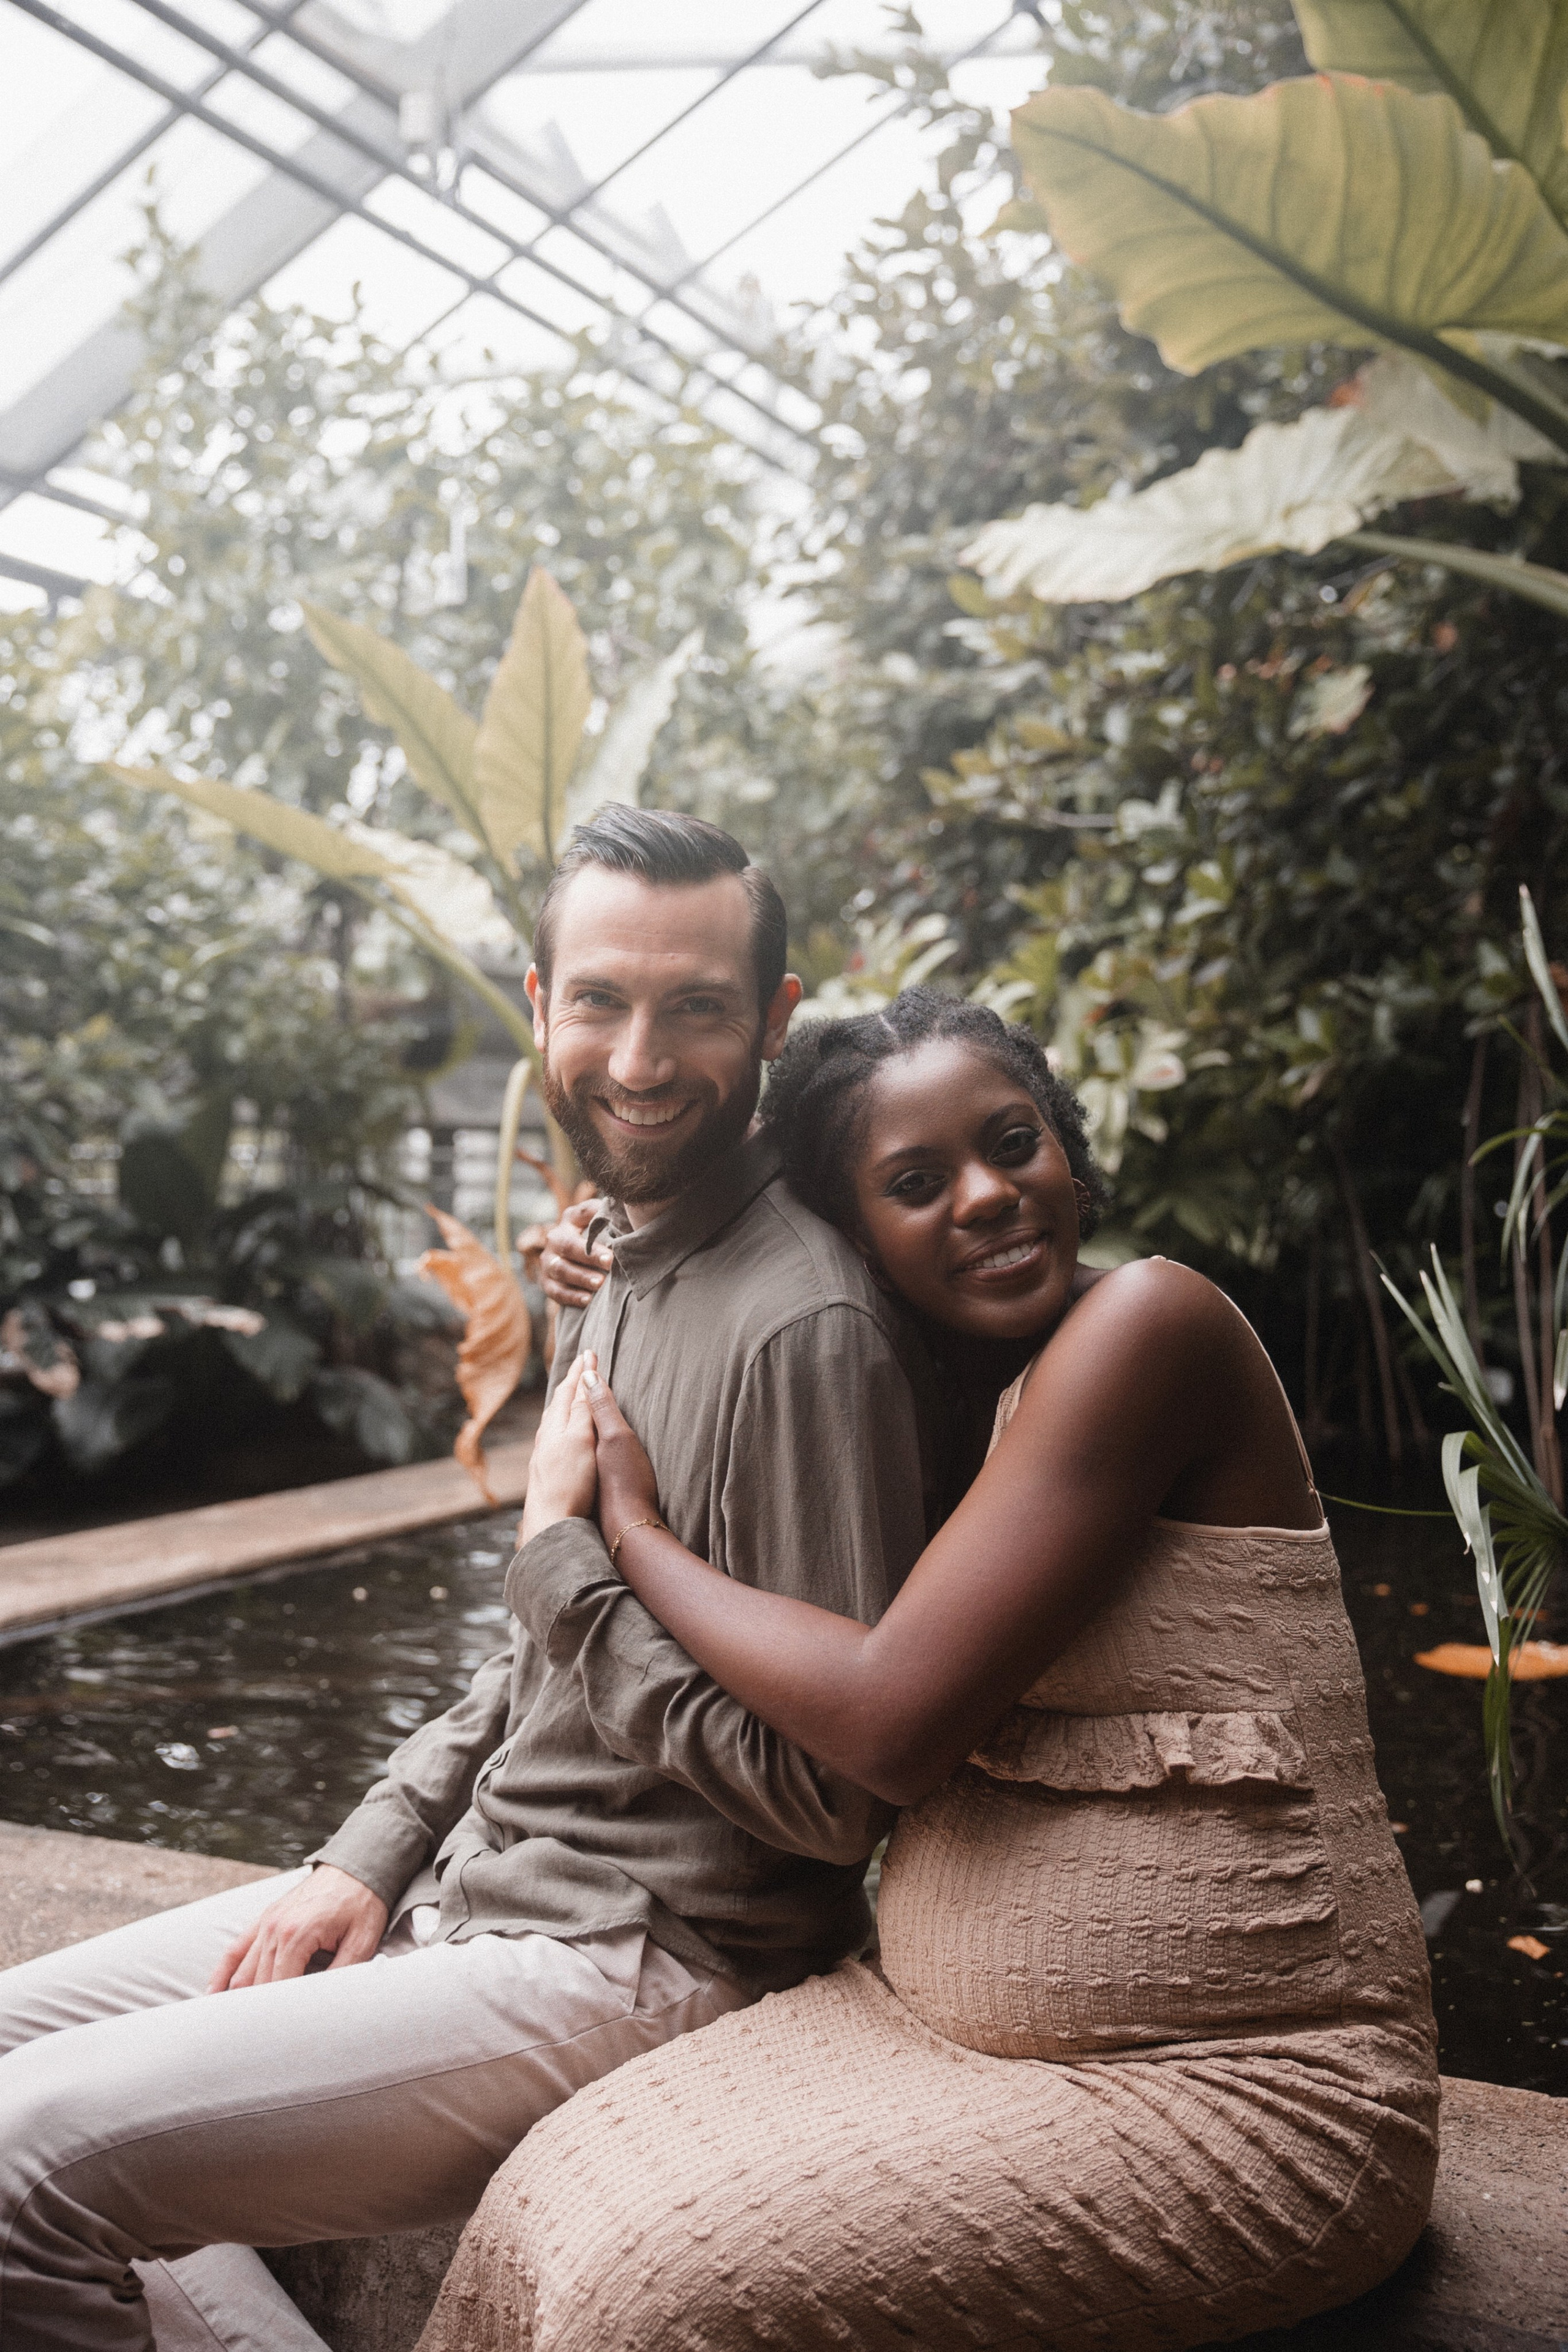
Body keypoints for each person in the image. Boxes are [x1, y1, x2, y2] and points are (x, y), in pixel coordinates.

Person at [0, 812, 929, 2352]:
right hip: (466, 1889)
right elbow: (536, 1660)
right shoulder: (616, 1260)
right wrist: (370, 1850)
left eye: (696, 1007)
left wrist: (570, 1565)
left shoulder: (799, 1328)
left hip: (633, 1954)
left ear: (773, 1020)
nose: (639, 1058)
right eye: (600, 1001)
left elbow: (831, 1804)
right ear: (540, 999)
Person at [420, 989, 1439, 2352]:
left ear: (1066, 1147)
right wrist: (610, 1247)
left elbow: (888, 1723)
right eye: (914, 1183)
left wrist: (625, 1536)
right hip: (938, 2034)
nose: (986, 1194)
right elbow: (716, 1251)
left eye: (1012, 1142)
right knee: (548, 2196)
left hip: (1246, 2092)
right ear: (850, 1236)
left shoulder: (1145, 1327)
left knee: (645, 2305)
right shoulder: (930, 1394)